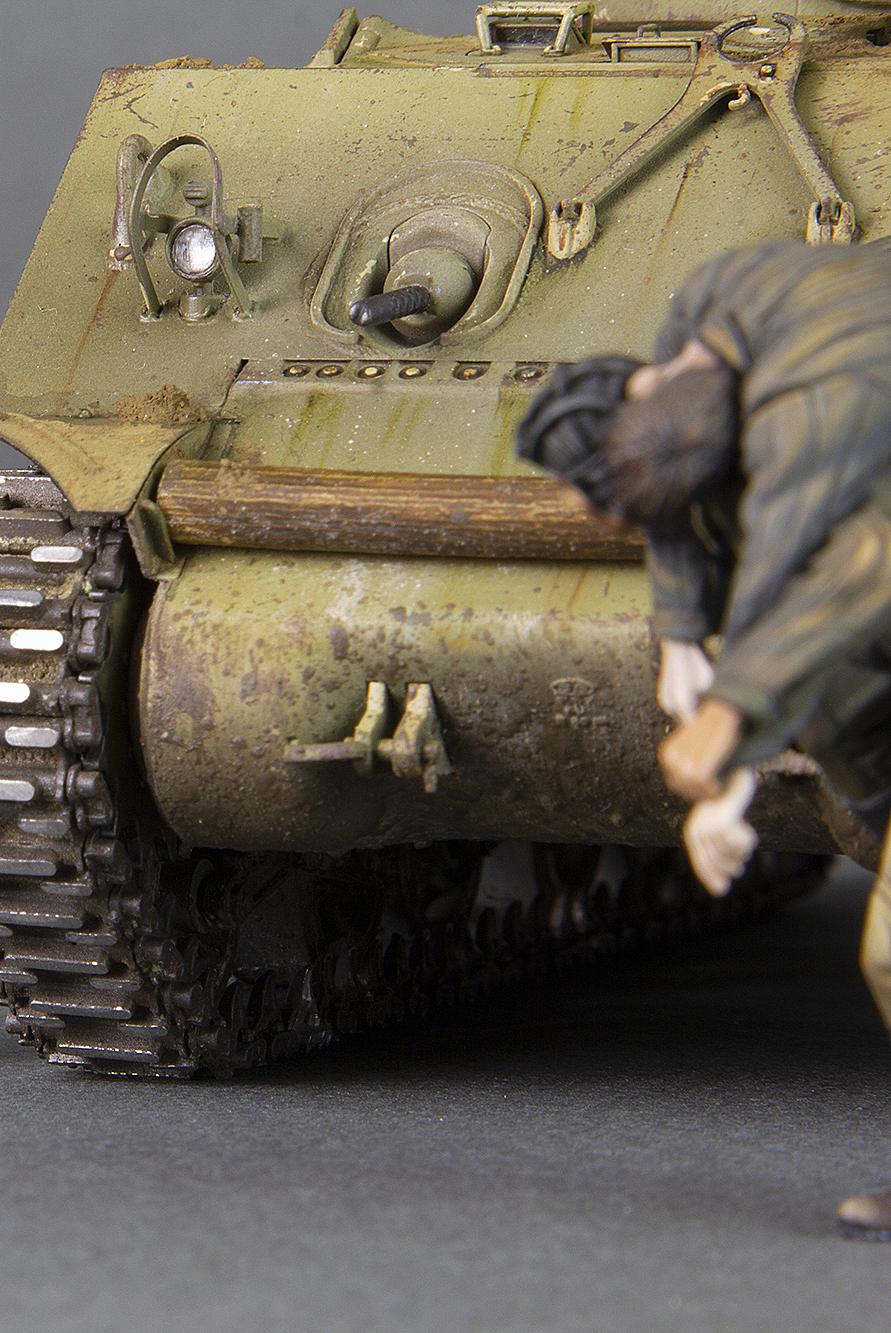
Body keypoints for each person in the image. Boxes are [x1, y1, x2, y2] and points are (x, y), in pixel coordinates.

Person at [516, 237, 891, 1238]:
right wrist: (680, 631)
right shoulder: (717, 310)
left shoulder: (813, 416)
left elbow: (819, 568)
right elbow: (680, 465)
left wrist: (725, 723)